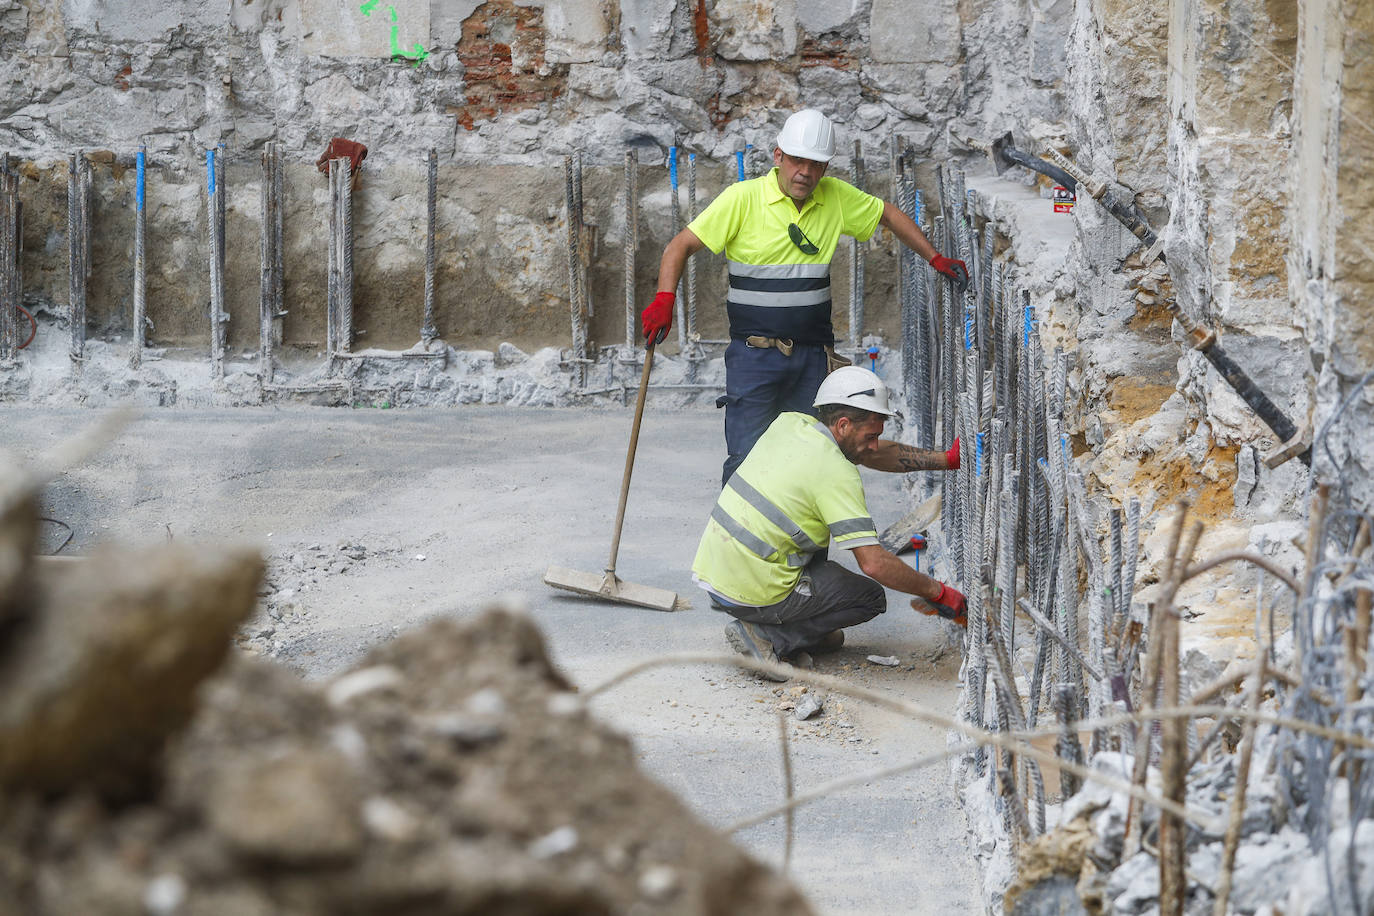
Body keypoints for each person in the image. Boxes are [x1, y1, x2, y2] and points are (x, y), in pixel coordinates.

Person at [641, 109, 970, 486]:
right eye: (797, 160)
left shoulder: (835, 198)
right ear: (778, 156)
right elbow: (680, 245)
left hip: (813, 357)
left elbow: (889, 215)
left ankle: (812, 543)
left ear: (825, 167)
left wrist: (934, 257)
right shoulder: (742, 200)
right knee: (747, 459)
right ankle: (742, 541)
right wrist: (664, 298)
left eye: (816, 165)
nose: (805, 173)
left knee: (824, 456)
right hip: (754, 358)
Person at [691, 366, 968, 680]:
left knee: (831, 596)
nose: (875, 444)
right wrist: (938, 592)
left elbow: (871, 454)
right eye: (871, 436)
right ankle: (768, 638)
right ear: (844, 425)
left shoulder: (792, 424)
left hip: (717, 571)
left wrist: (946, 460)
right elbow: (874, 564)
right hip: (753, 586)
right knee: (869, 598)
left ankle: (792, 628)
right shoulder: (836, 472)